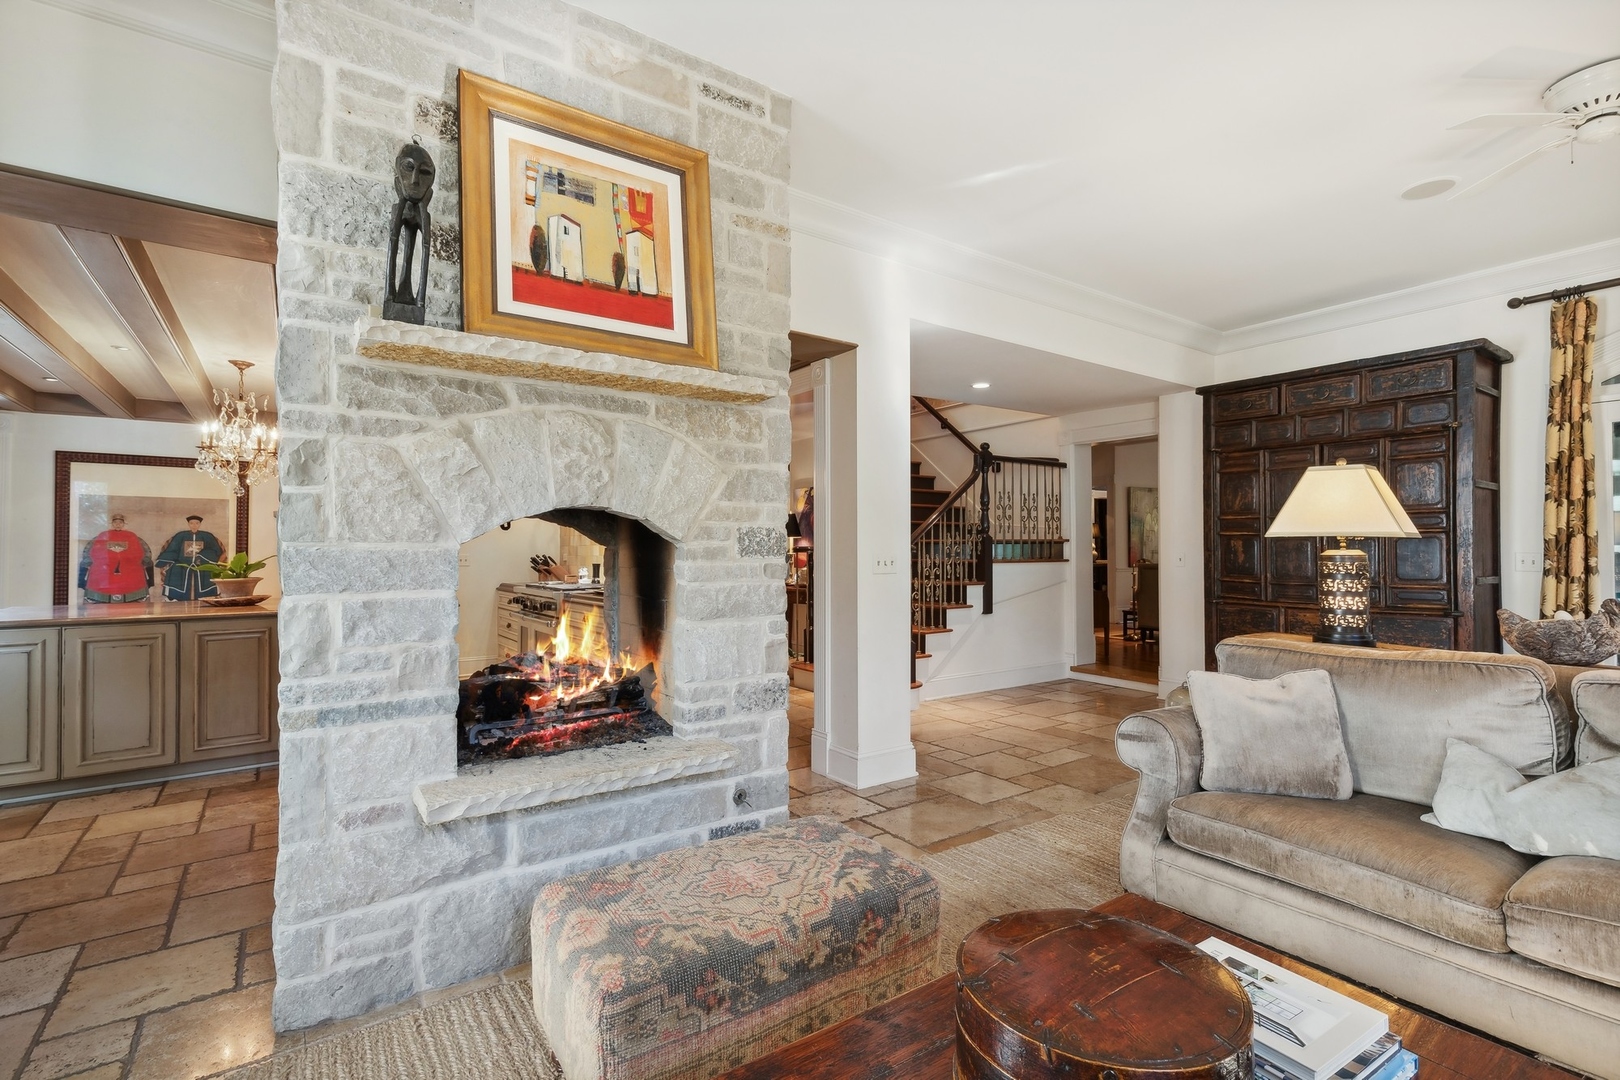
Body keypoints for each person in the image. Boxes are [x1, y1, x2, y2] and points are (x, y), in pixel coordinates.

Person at [77, 513, 153, 603]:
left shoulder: (131, 536)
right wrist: (108, 560)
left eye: (120, 523)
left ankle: (136, 596)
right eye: (115, 522)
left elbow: (138, 552)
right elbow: (95, 552)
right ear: (112, 524)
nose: (118, 525)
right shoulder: (103, 535)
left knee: (136, 570)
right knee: (97, 570)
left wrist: (126, 559)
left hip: (128, 565)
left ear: (124, 524)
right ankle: (96, 597)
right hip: (106, 566)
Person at [155, 515, 223, 600]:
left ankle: (206, 596)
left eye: (197, 523)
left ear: (200, 524)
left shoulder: (207, 536)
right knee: (176, 570)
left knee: (207, 571)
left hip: (202, 563)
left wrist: (201, 556)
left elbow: (215, 550)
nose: (194, 525)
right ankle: (177, 597)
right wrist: (171, 558)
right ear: (188, 524)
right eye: (191, 523)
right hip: (182, 563)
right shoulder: (180, 535)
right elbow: (173, 549)